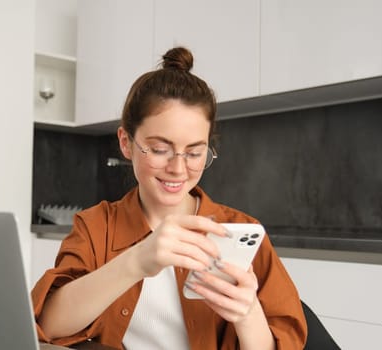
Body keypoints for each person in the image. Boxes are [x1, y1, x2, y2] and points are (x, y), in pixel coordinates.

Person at [31, 47, 307, 350]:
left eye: (194, 152)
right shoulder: (96, 226)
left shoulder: (242, 232)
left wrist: (248, 314)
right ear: (126, 142)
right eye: (160, 149)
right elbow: (48, 326)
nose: (178, 169)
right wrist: (137, 261)